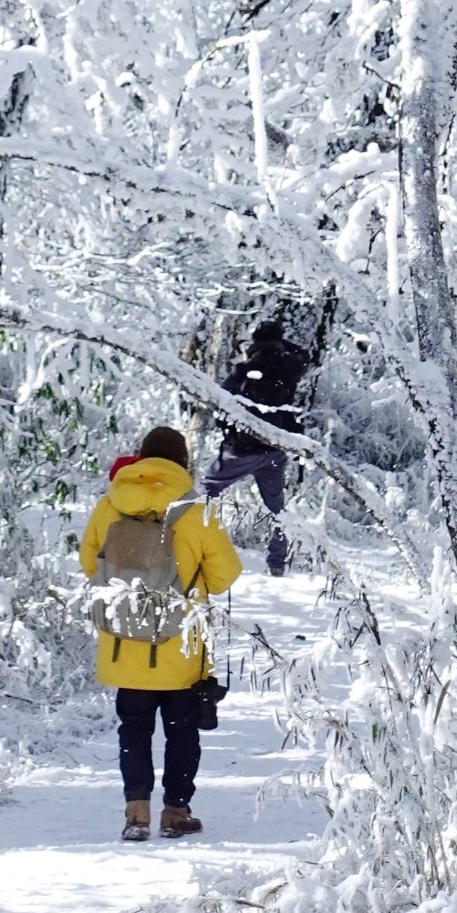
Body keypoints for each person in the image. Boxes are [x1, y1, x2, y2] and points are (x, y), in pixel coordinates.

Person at [77, 425, 242, 842]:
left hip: (123, 642)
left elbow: (88, 562)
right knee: (181, 730)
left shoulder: (110, 504)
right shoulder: (194, 510)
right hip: (179, 645)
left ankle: (136, 813)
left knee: (133, 729)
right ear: (182, 463)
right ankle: (176, 811)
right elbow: (224, 577)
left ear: (142, 457)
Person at [203, 315, 319, 575]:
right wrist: (278, 345)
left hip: (241, 448)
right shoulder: (289, 366)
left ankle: (182, 538)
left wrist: (248, 358)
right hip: (275, 448)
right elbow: (304, 355)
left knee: (205, 491)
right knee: (276, 508)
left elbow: (221, 396)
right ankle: (277, 563)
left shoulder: (247, 369)